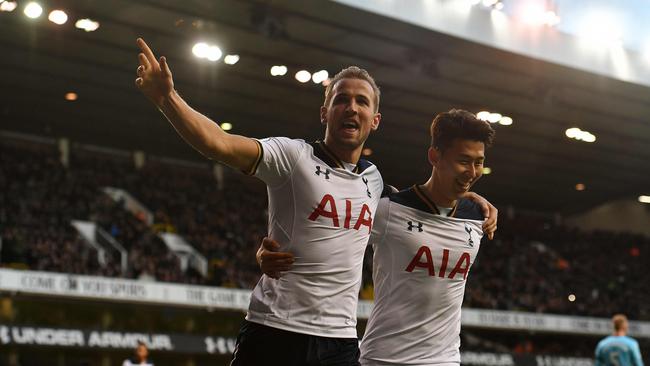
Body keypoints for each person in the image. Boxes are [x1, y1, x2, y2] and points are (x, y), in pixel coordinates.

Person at [135, 38, 496, 365]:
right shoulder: (292, 157)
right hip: (276, 329)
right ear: (325, 112)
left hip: (339, 343)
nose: (351, 108)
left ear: (376, 120)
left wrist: (471, 196)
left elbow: (423, 202)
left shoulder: (374, 181)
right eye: (341, 99)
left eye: (361, 101)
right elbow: (219, 143)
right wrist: (168, 99)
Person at [259, 110, 496, 365]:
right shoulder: (387, 209)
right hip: (384, 359)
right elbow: (325, 235)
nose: (472, 171)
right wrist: (265, 254)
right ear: (434, 156)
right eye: (464, 160)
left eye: (479, 162)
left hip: (445, 359)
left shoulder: (477, 216)